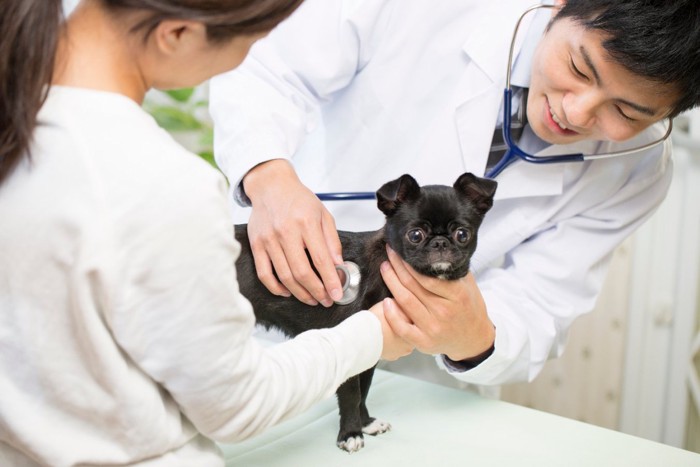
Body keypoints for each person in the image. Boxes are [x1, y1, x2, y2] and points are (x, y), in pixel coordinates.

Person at [0, 0, 412, 464]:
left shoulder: (22, 127)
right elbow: (235, 407)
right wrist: (369, 334)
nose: (247, 62)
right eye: (251, 43)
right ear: (177, 35)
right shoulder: (165, 187)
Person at [209, 0, 700, 388]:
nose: (576, 112)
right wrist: (269, 177)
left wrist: (475, 336)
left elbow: (541, 302)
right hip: (264, 313)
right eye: (579, 66)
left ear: (666, 115)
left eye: (628, 112)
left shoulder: (635, 174)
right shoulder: (432, 9)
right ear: (560, 4)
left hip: (411, 380)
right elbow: (268, 69)